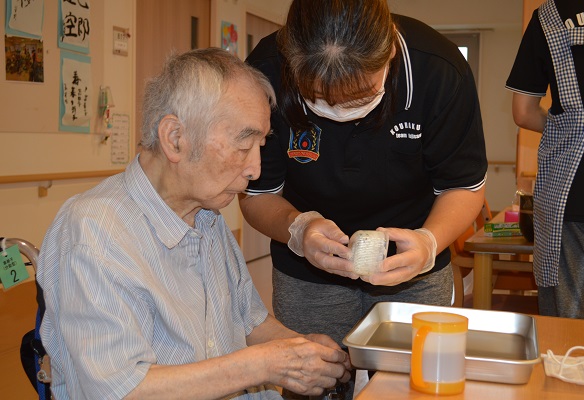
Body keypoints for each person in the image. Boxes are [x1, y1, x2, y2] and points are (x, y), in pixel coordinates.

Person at [36, 48, 351, 400]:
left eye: (261, 145)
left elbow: (250, 322)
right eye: (243, 145)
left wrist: (303, 351)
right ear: (175, 138)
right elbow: (122, 391)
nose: (256, 169)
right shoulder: (94, 234)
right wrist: (264, 364)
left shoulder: (207, 217)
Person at [240, 1, 487, 397]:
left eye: (357, 96)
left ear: (388, 53)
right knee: (312, 384)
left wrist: (428, 243)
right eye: (319, 95)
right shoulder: (265, 72)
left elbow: (464, 187)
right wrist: (298, 229)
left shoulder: (438, 70)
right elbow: (257, 194)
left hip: (413, 272)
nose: (340, 109)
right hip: (307, 273)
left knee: (414, 386)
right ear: (292, 62)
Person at [506, 0, 584, 320]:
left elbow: (523, 112)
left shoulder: (549, 16)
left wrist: (572, 127)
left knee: (569, 328)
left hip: (574, 187)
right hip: (576, 191)